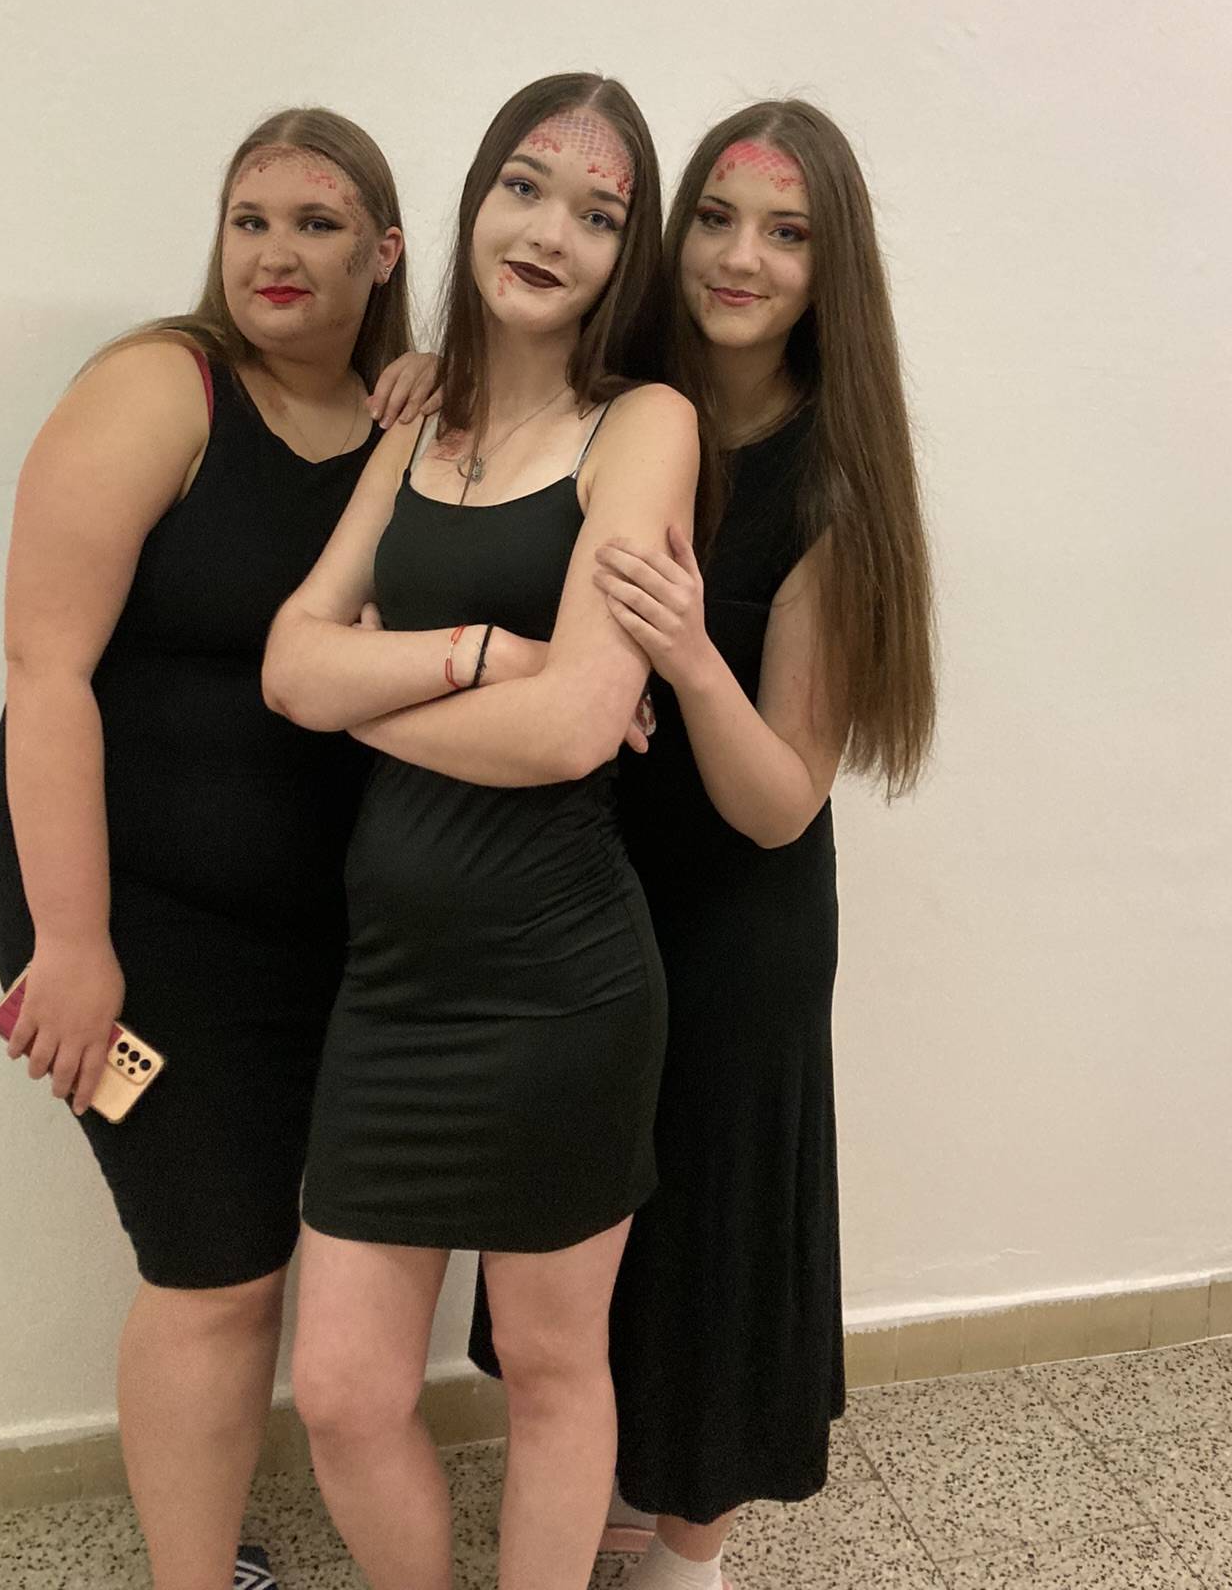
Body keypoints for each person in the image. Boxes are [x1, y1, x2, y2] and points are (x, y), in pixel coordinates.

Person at [471, 100, 937, 1590]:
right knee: (592, 1230)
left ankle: (690, 1552)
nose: (741, 258)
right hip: (583, 898)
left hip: (739, 930)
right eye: (719, 221)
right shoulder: (628, 408)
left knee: (717, 1236)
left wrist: (686, 652)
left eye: (787, 233)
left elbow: (781, 799)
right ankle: (608, 1491)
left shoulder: (833, 489)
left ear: (829, 270)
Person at [0, 107, 437, 1590]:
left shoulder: (403, 418)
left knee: (272, 1252)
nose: (274, 253)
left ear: (383, 253)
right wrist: (73, 946)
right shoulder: (160, 389)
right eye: (250, 220)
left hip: (317, 923)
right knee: (214, 1264)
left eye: (316, 224)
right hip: (123, 913)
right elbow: (44, 673)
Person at [261, 73, 698, 1590]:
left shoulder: (643, 425)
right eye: (524, 187)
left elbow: (574, 730)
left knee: (556, 1373)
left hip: (561, 986)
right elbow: (285, 659)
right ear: (473, 204)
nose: (550, 232)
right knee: (343, 1391)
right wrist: (481, 656)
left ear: (627, 257)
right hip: (391, 991)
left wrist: (367, 691)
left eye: (599, 214)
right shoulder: (421, 419)